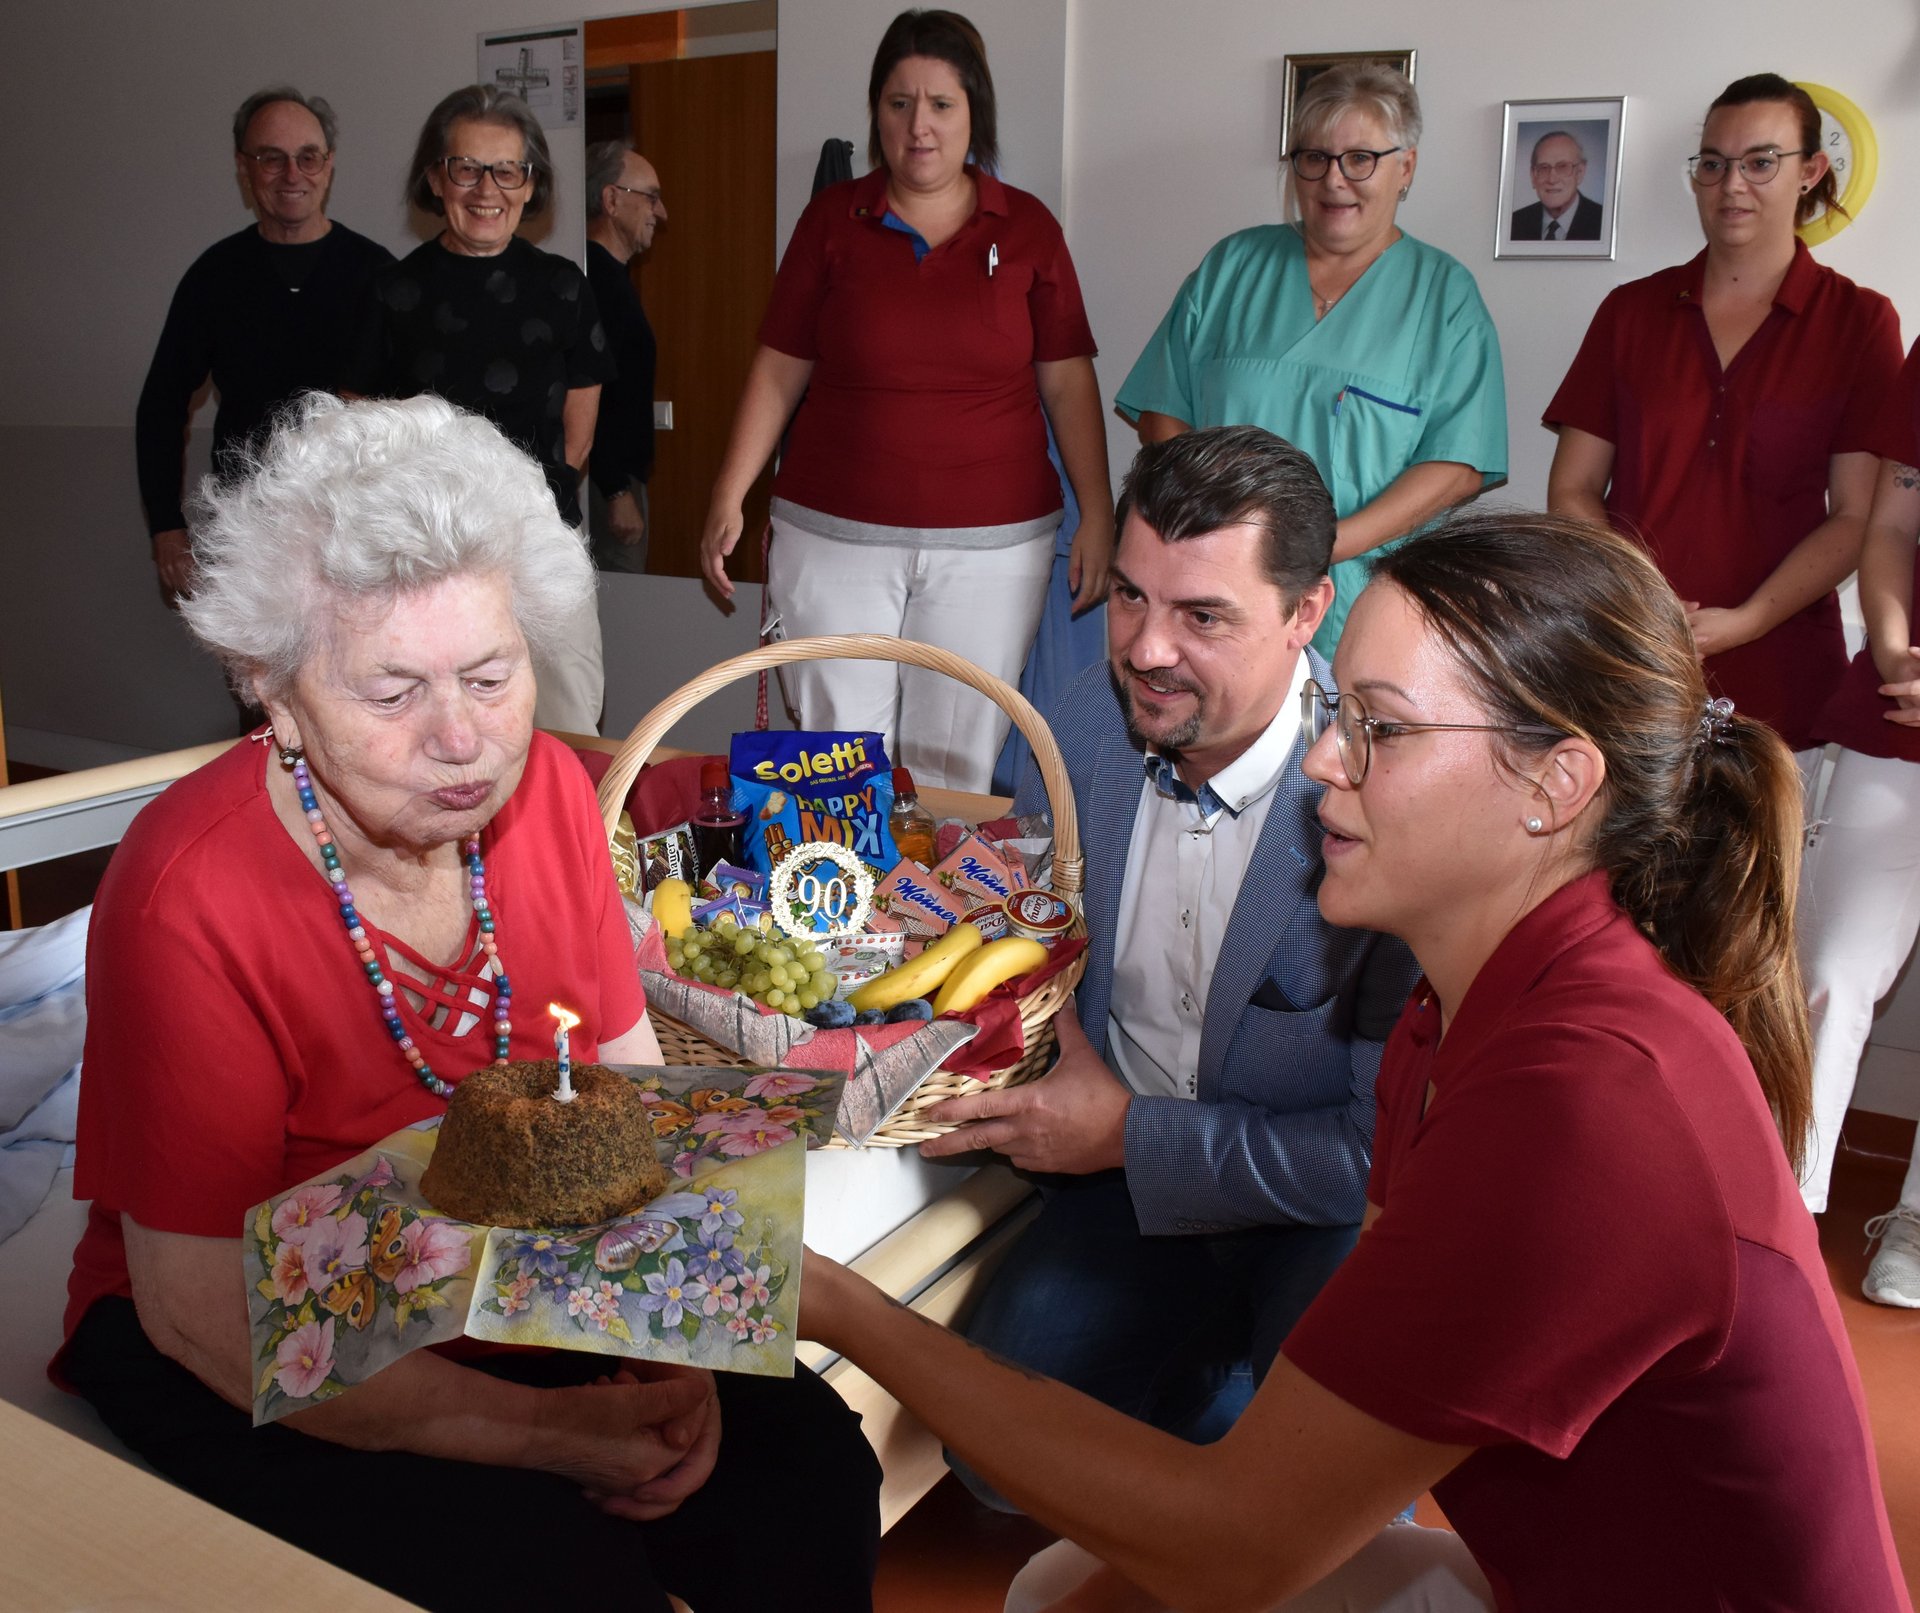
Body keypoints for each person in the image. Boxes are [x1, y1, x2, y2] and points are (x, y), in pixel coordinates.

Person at [798, 511, 1912, 1613]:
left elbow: (1231, 1547)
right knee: (1061, 1586)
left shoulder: (1585, 1105)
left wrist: (842, 1306)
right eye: (1339, 713)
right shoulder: (1454, 1003)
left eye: (1382, 726)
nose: (1325, 758)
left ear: (1556, 784)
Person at [55, 396, 882, 1613]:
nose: (462, 740)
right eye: (392, 692)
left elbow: (628, 1098)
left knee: (813, 1472)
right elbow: (197, 1308)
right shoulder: (187, 892)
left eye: (491, 676)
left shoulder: (546, 791)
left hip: (492, 1257)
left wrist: (685, 1341)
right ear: (272, 690)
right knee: (559, 1576)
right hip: (251, 1324)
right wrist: (549, 1435)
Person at [922, 427, 1418, 1508]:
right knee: (993, 1460)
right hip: (1121, 1193)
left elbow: (1375, 1152)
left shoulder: (1386, 792)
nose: (1146, 649)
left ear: (1306, 613)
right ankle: (1212, 1403)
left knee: (1326, 1484)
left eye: (1203, 616)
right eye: (1132, 597)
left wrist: (1126, 1134)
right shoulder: (1074, 726)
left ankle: (1232, 1417)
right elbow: (1029, 927)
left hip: (1318, 1209)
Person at [700, 8, 1113, 795]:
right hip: (830, 539)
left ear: (973, 114)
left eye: (941, 104)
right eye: (899, 103)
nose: (919, 126)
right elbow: (781, 366)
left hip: (993, 550)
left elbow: (1067, 379)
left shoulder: (1028, 228)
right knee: (834, 765)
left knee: (953, 766)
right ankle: (839, 876)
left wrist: (1098, 510)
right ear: (876, 114)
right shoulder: (831, 220)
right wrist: (730, 489)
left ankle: (935, 882)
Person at [1546, 71, 1902, 762]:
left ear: (1810, 171)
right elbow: (1573, 487)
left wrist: (1745, 621)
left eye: (1760, 162)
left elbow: (1858, 515)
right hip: (1628, 666)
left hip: (1781, 681)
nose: (1731, 185)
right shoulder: (1631, 311)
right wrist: (1643, 604)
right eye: (1713, 163)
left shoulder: (1859, 322)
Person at [1116, 61, 1506, 655]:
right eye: (1314, 158)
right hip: (1216, 588)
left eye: (1360, 159)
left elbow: (1457, 465)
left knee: (1347, 712)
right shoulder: (1232, 268)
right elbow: (1161, 411)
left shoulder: (1445, 296)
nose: (1333, 180)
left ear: (1406, 167)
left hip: (1368, 594)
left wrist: (1319, 548)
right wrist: (1218, 535)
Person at [345, 84, 612, 736]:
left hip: (543, 544)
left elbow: (576, 444)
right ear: (436, 179)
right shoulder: (391, 292)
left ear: (530, 184)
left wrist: (524, 518)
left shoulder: (565, 289)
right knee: (447, 732)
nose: (486, 188)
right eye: (466, 167)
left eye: (507, 170)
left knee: (568, 722)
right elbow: (357, 436)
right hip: (427, 558)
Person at [135, 86, 392, 704]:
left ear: (329, 165)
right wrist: (167, 528)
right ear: (243, 167)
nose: (291, 174)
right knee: (261, 710)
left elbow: (417, 414)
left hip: (358, 535)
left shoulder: (379, 274)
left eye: (308, 156)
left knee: (362, 699)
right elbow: (161, 404)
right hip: (252, 537)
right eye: (271, 157)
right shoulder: (214, 276)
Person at [1798, 334, 1920, 1303]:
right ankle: (1780, 1213)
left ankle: (1916, 1219)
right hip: (1903, 713)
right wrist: (1893, 655)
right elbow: (1891, 526)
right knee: (1832, 969)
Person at [585, 141, 666, 574]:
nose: (661, 212)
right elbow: (588, 394)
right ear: (611, 200)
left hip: (618, 480)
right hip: (606, 487)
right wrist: (616, 491)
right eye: (651, 197)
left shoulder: (615, 278)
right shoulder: (594, 283)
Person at [1509, 129, 1602, 241]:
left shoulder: (1602, 221)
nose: (1552, 179)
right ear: (1533, 176)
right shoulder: (1514, 223)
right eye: (1544, 168)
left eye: (1562, 167)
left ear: (1580, 173)